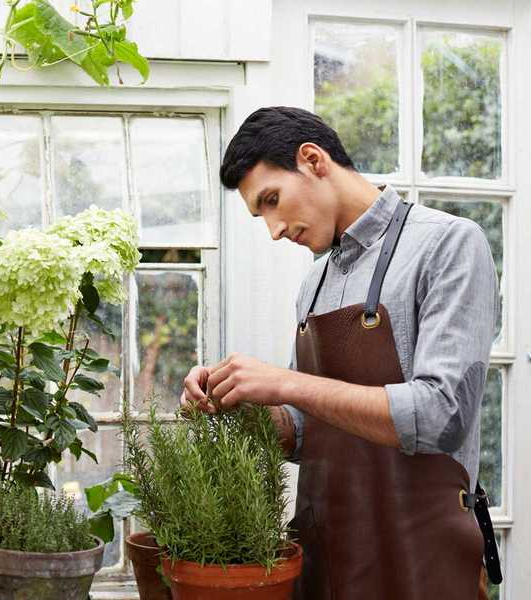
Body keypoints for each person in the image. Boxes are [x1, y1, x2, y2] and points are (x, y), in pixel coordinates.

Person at [180, 106, 500, 599]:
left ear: (313, 160)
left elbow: (443, 415)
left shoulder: (447, 244)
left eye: (272, 199)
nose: (274, 229)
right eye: (259, 213)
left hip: (423, 565)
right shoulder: (314, 281)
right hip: (328, 563)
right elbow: (305, 434)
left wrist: (286, 383)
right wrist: (237, 402)